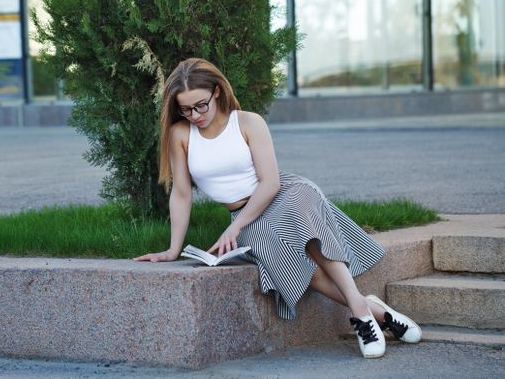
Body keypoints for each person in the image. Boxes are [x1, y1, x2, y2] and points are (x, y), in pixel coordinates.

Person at [134, 58, 421, 358]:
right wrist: (171, 249)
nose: (194, 115)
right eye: (185, 109)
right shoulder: (181, 135)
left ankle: (361, 314)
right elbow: (180, 194)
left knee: (308, 232)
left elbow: (270, 182)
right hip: (244, 216)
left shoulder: (247, 122)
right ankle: (375, 310)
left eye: (200, 105)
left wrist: (236, 226)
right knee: (299, 271)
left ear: (216, 92)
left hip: (281, 195)